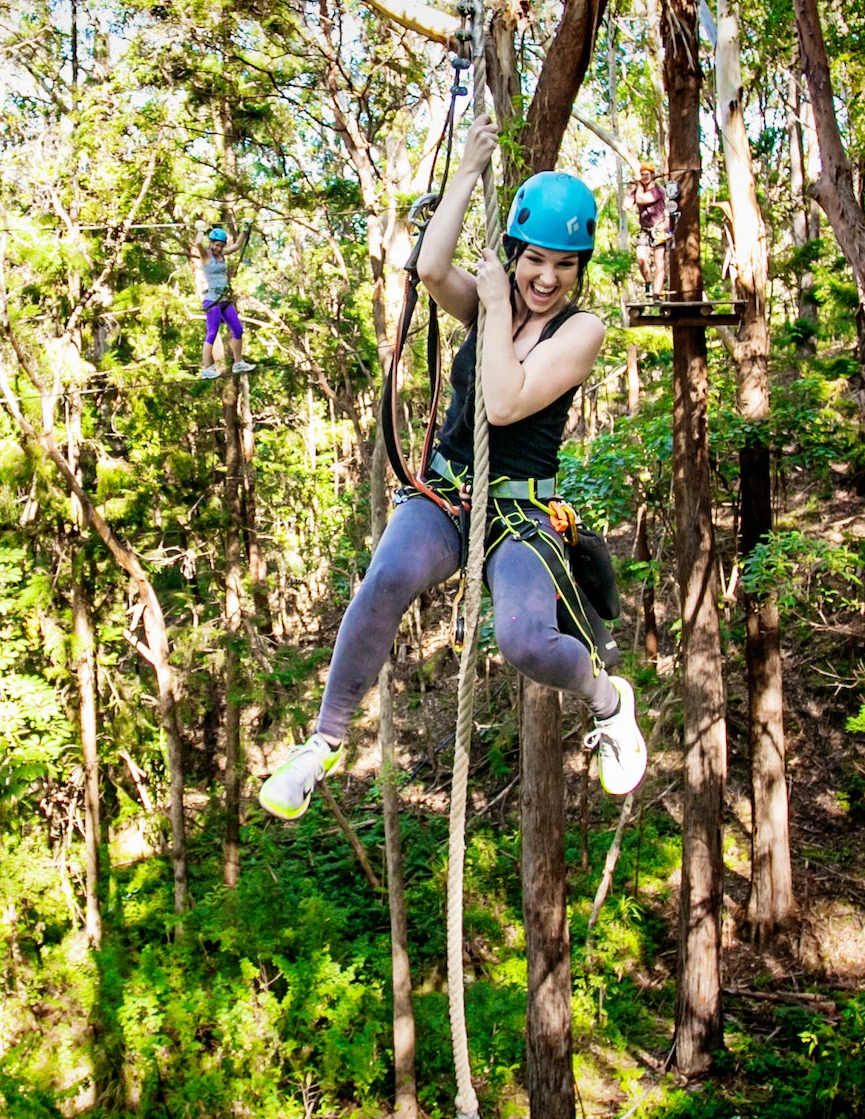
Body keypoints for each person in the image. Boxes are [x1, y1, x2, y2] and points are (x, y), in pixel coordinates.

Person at [259, 116, 647, 821]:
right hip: (449, 491)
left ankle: (608, 701)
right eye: (534, 259)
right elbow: (431, 268)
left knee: (528, 642)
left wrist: (498, 302)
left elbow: (504, 403)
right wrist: (468, 171)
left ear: (580, 270)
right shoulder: (488, 301)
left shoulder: (580, 331)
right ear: (515, 251)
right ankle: (322, 743)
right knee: (388, 574)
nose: (547, 277)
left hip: (523, 511)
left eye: (565, 265)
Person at [195, 222, 254, 379]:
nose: (219, 249)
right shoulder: (206, 255)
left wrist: (244, 229)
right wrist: (200, 230)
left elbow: (236, 246)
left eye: (222, 246)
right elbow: (198, 243)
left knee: (238, 330)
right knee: (212, 333)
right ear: (212, 243)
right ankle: (207, 368)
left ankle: (238, 362)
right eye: (217, 245)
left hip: (224, 300)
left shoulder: (222, 254)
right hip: (212, 301)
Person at [631, 164, 668, 298]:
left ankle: (657, 293)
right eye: (642, 174)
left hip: (659, 228)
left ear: (652, 176)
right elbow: (625, 205)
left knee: (659, 262)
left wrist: (639, 186)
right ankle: (648, 283)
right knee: (641, 258)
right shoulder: (637, 191)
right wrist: (631, 188)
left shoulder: (658, 190)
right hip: (644, 229)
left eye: (647, 174)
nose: (644, 177)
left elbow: (641, 199)